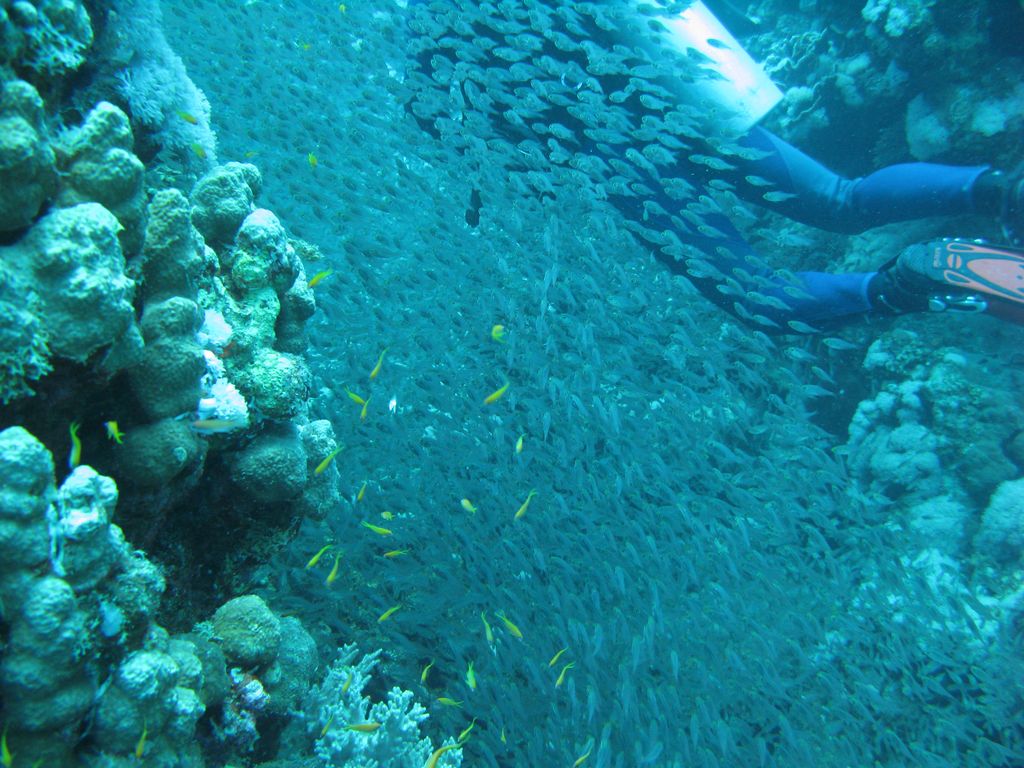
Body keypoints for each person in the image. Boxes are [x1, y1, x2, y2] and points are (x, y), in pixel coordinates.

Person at [403, 0, 1024, 330]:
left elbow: (461, 133)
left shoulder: (430, 27)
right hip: (685, 100)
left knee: (756, 294)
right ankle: (997, 192)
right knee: (843, 199)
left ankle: (899, 287)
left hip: (621, 164)